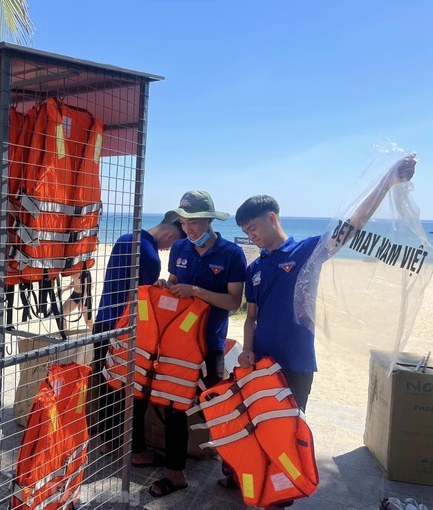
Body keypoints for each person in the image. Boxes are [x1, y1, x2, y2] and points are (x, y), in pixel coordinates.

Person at [234, 155, 416, 509]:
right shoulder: (254, 267)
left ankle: (280, 497)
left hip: (297, 362)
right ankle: (256, 486)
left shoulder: (306, 251)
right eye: (244, 232)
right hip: (261, 364)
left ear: (272, 218)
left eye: (253, 227)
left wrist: (388, 182)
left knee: (287, 433)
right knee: (257, 427)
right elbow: (251, 317)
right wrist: (248, 350)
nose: (250, 236)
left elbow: (354, 224)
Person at [148, 190, 247, 498]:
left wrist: (196, 290)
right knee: (176, 407)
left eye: (195, 222)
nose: (189, 228)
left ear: (209, 220)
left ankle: (237, 470)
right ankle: (176, 475)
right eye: (185, 222)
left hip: (211, 343)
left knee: (217, 409)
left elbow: (233, 301)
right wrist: (169, 285)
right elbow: (176, 284)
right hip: (178, 345)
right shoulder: (178, 247)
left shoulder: (231, 254)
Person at [92, 213, 186, 456]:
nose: (167, 251)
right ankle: (130, 447)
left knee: (105, 383)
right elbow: (143, 301)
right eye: (171, 246)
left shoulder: (125, 238)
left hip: (103, 320)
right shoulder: (152, 258)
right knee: (126, 387)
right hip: (123, 327)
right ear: (170, 235)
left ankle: (106, 440)